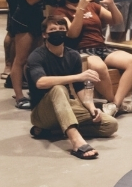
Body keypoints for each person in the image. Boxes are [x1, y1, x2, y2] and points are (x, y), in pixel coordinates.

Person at [26, 16, 118, 160]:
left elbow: (80, 87)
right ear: (44, 34)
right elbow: (40, 82)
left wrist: (91, 107)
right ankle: (76, 141)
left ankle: (52, 131)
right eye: (53, 30)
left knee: (110, 125)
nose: (58, 32)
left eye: (61, 29)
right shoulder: (36, 56)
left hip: (65, 106)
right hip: (42, 112)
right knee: (58, 89)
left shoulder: (73, 55)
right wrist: (77, 76)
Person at [53, 0, 132, 114]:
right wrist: (80, 8)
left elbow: (116, 21)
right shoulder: (61, 12)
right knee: (99, 67)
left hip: (101, 47)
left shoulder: (92, 6)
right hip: (80, 50)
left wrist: (111, 4)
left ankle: (116, 104)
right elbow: (73, 34)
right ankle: (114, 102)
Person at [7, 0, 56, 109]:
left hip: (37, 17)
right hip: (25, 18)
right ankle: (19, 96)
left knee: (34, 58)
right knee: (21, 59)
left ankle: (34, 92)